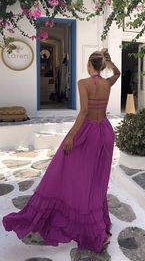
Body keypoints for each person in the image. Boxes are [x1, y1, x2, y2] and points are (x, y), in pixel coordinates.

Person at [2, 49, 120, 253]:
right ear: (102, 66)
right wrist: (109, 63)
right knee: (96, 179)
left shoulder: (83, 83)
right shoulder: (106, 83)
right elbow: (117, 74)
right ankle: (95, 221)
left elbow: (84, 111)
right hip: (105, 133)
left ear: (89, 66)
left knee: (73, 173)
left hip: (89, 132)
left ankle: (86, 223)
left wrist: (72, 136)